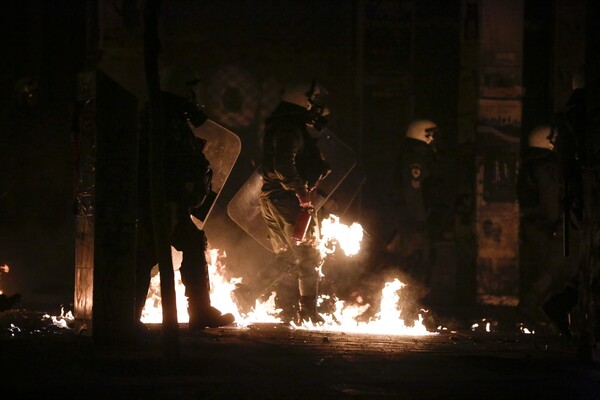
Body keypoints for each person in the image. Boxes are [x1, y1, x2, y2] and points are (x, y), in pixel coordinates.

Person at [135, 76, 234, 332]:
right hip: (162, 201)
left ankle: (200, 312)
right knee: (146, 254)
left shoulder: (170, 120)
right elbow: (168, 163)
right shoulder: (162, 121)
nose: (194, 99)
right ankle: (128, 316)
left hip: (173, 202)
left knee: (192, 242)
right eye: (190, 92)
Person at [233, 80, 331, 324]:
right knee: (308, 254)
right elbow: (283, 164)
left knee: (288, 257)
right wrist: (301, 192)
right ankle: (308, 313)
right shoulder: (289, 127)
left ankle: (248, 293)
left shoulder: (287, 124)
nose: (314, 106)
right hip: (287, 199)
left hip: (276, 198)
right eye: (311, 100)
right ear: (302, 99)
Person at [517, 124, 579, 335]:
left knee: (547, 267)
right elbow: (550, 198)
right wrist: (557, 223)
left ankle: (535, 310)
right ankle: (530, 307)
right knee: (554, 269)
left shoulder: (529, 165)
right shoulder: (547, 166)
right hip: (546, 226)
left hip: (534, 223)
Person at [386, 119, 440, 323]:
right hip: (412, 220)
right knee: (413, 261)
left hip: (413, 219)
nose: (433, 139)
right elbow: (413, 192)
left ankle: (408, 307)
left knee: (412, 260)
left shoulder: (421, 155)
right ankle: (406, 307)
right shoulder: (415, 157)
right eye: (430, 134)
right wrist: (419, 220)